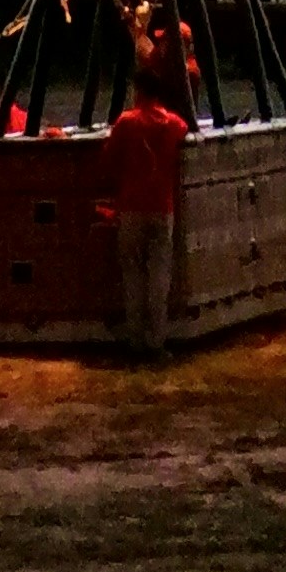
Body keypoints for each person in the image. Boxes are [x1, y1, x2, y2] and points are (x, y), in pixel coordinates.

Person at [103, 59, 191, 359]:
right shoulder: (172, 123)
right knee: (159, 277)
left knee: (133, 275)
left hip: (131, 207)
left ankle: (135, 339)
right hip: (161, 207)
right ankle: (156, 341)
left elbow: (108, 158)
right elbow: (185, 130)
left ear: (138, 91)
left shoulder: (126, 122)